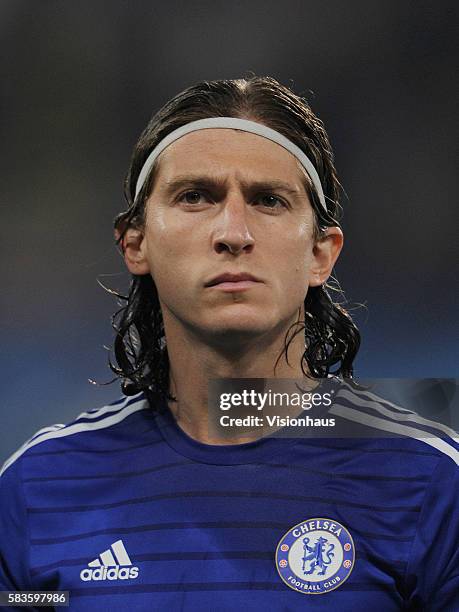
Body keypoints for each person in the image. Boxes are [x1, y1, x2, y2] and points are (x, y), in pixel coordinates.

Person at [1, 77, 457, 611]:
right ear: (135, 242)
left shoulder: (430, 483)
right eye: (196, 196)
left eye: (268, 200)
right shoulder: (38, 488)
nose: (233, 232)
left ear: (321, 254)